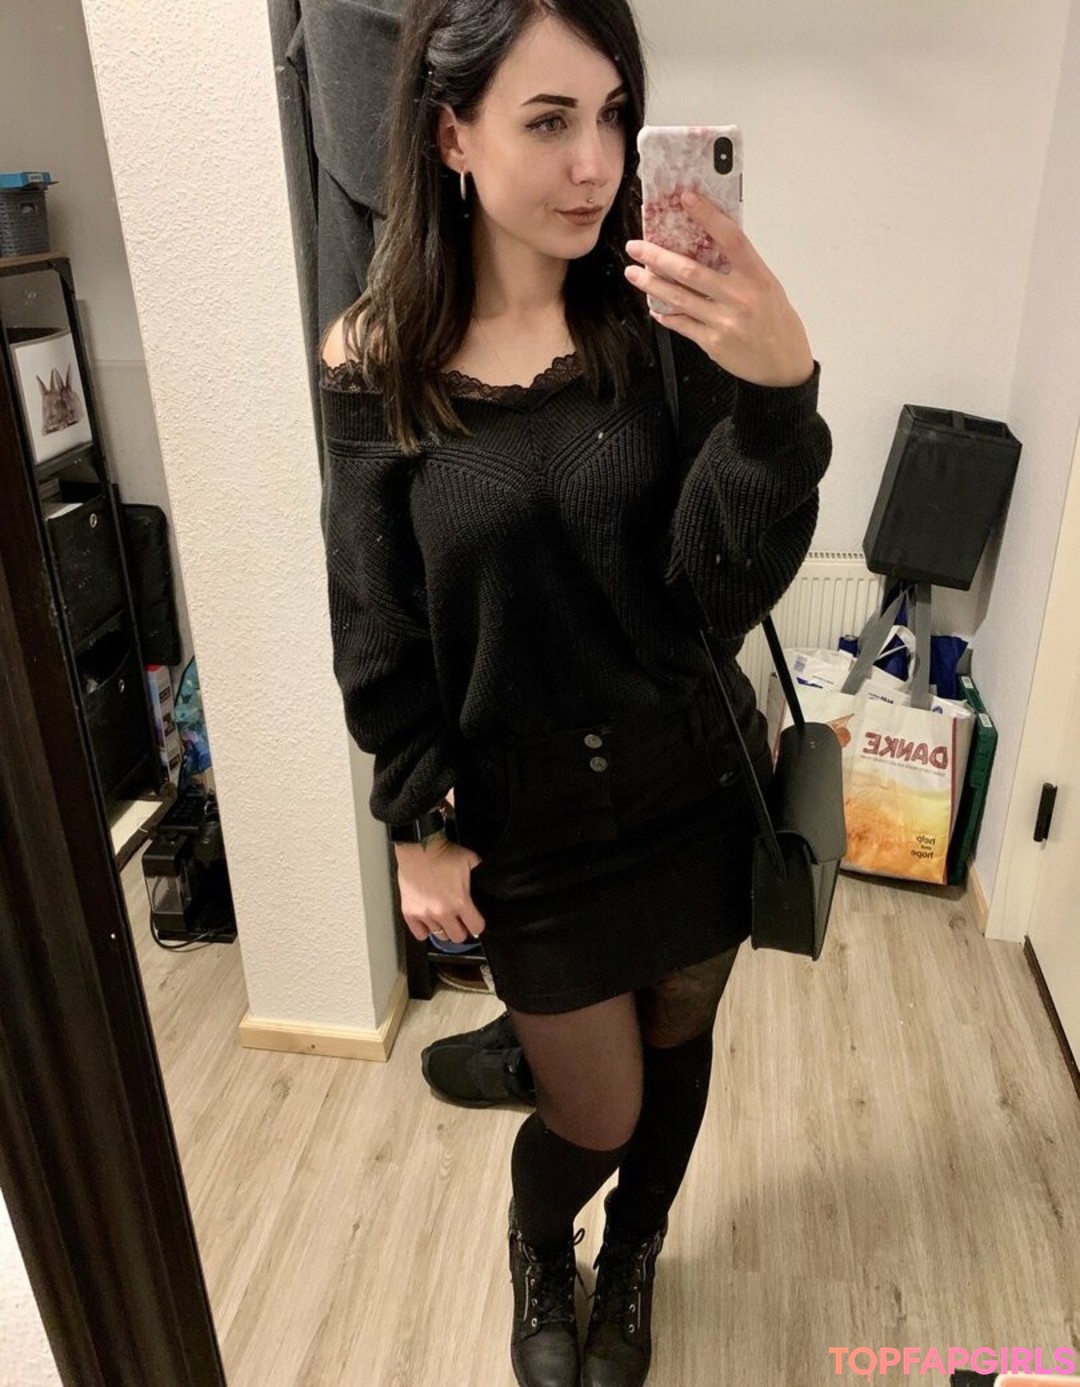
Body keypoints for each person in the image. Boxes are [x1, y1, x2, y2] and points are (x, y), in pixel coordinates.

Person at [317, 1, 831, 1383]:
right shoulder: (377, 364)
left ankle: (637, 1253)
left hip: (694, 781)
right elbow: (377, 621)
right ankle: (543, 1243)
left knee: (678, 1050)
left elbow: (714, 592)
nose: (594, 163)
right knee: (594, 1109)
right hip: (530, 823)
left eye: (612, 115)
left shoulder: (658, 320)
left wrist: (778, 398)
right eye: (548, 121)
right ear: (452, 136)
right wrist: (416, 823)